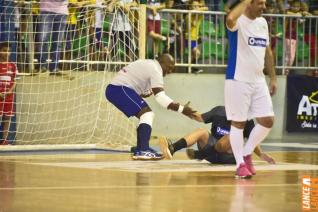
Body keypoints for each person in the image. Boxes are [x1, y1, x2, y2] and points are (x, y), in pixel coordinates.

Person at [105, 54, 197, 160]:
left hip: (117, 89)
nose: (171, 70)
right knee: (147, 114)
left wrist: (141, 92)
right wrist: (182, 109)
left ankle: (141, 148)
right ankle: (143, 150)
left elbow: (133, 81)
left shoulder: (149, 63)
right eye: (170, 67)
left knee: (145, 115)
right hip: (118, 89)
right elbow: (160, 97)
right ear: (162, 62)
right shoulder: (156, 69)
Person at [225, 0, 277, 178]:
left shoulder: (262, 23)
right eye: (260, 3)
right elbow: (230, 18)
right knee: (238, 123)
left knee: (268, 120)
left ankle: (247, 153)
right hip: (238, 79)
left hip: (258, 80)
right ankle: (239, 164)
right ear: (248, 4)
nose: (264, 6)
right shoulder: (238, 21)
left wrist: (273, 77)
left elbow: (268, 52)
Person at [158, 106, 275, 165]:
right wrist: (184, 110)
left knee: (232, 135)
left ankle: (200, 154)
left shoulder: (247, 120)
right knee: (201, 131)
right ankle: (173, 148)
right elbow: (200, 117)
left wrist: (261, 154)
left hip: (229, 156)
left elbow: (252, 140)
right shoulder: (219, 110)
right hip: (212, 152)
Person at [36, 0, 69, 75]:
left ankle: (54, 67)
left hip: (62, 12)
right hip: (46, 10)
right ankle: (42, 67)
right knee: (43, 40)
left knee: (58, 42)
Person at [0, 42, 17, 145]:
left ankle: (4, 140)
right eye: (4, 50)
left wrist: (9, 92)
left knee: (7, 118)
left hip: (9, 97)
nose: (6, 53)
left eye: (8, 51)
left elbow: (15, 81)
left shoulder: (13, 66)